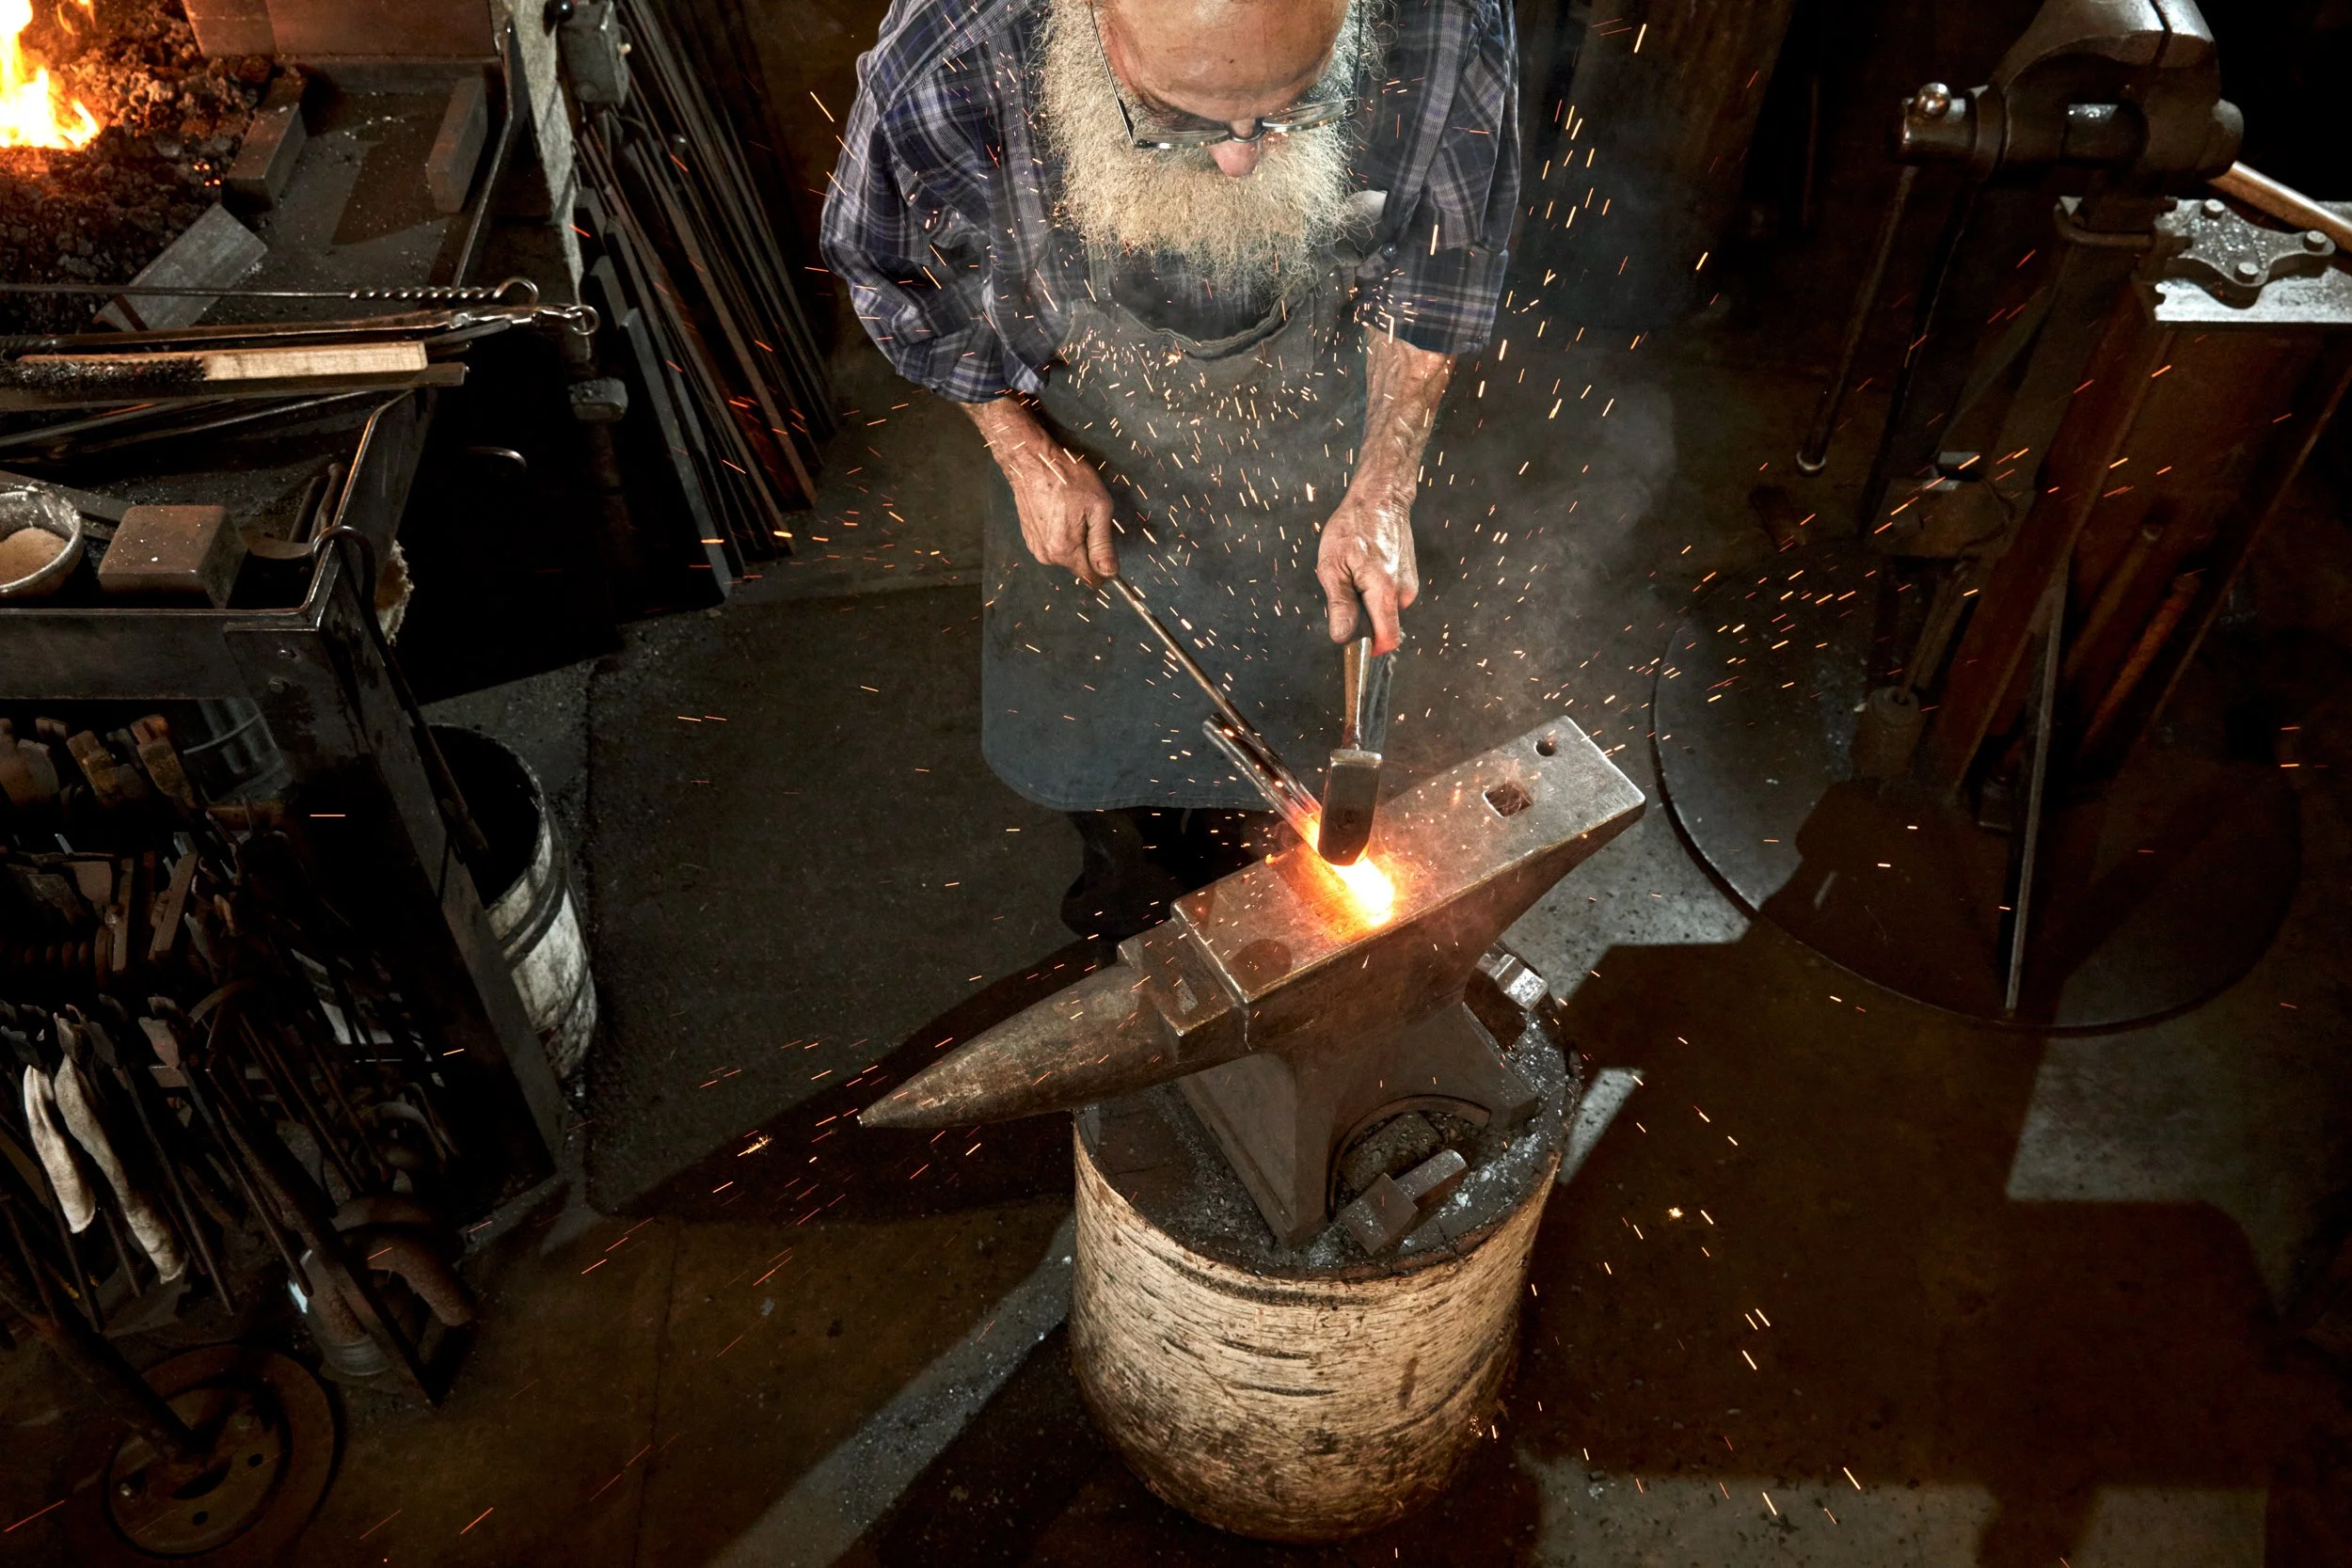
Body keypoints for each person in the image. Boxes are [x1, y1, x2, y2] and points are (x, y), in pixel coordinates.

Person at [822, 0, 1518, 940]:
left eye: (1291, 107)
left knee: (1297, 708)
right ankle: (1131, 879)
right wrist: (1024, 451)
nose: (1240, 158)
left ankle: (1266, 886)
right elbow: (884, 261)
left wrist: (1381, 488)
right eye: (1180, 117)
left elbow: (1443, 262)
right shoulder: (953, 47)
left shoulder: (1446, 14)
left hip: (1314, 409)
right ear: (1092, 23)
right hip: (1075, 417)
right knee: (1108, 739)